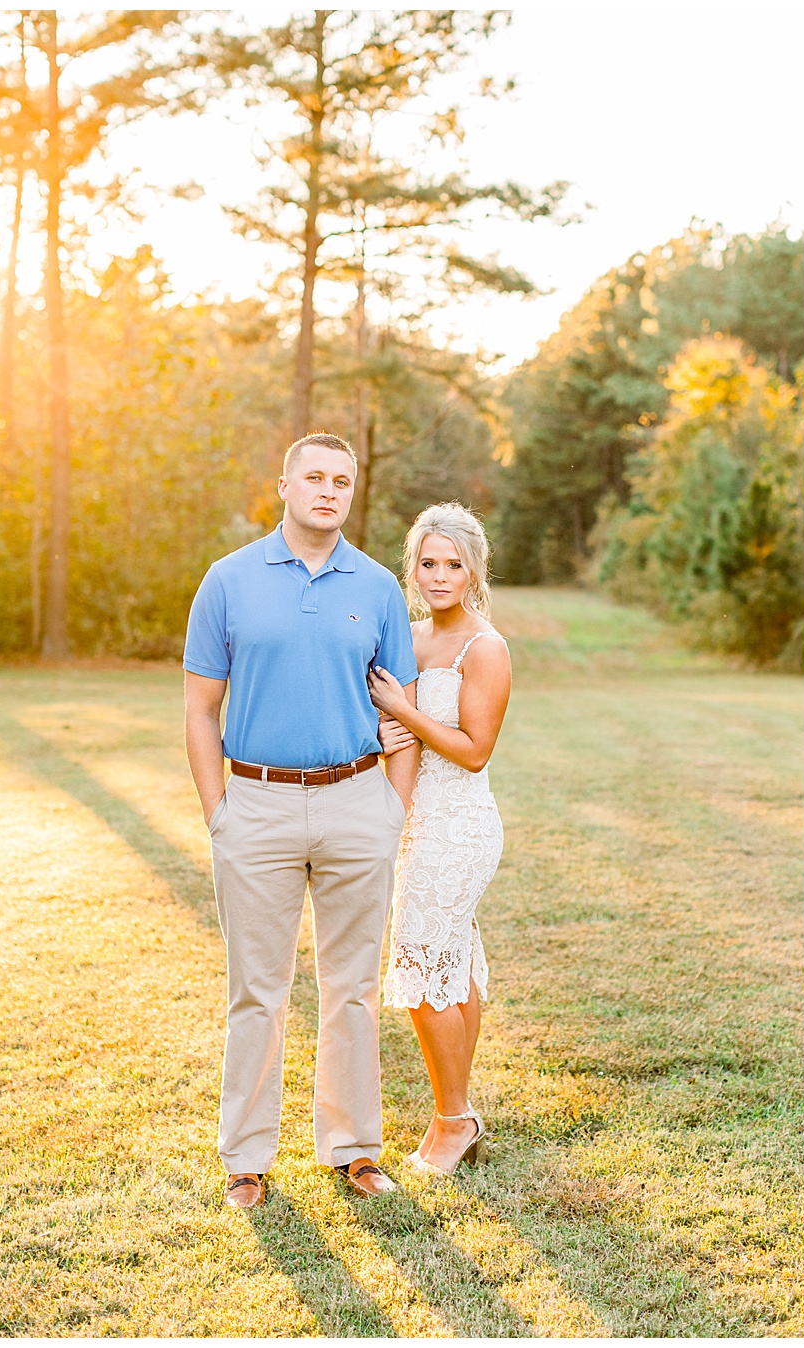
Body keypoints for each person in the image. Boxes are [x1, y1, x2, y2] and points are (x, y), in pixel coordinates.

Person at [183, 432, 421, 1209]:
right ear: (282, 484)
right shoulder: (228, 580)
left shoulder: (380, 585)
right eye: (313, 477)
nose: (328, 490)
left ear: (352, 493)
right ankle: (246, 1161)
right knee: (258, 988)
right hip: (255, 804)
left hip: (358, 801)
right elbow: (198, 706)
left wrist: (394, 804)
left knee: (352, 987)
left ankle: (353, 1149)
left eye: (342, 481)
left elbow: (404, 708)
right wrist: (219, 811)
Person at [368, 503, 511, 1176]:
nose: (439, 575)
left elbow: (474, 751)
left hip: (459, 825)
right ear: (413, 567)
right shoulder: (410, 636)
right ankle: (453, 1114)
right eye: (428, 563)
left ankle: (455, 1121)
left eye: (454, 564)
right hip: (412, 820)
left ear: (474, 569)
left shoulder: (485, 647)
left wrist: (401, 709)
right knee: (447, 964)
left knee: (423, 969)